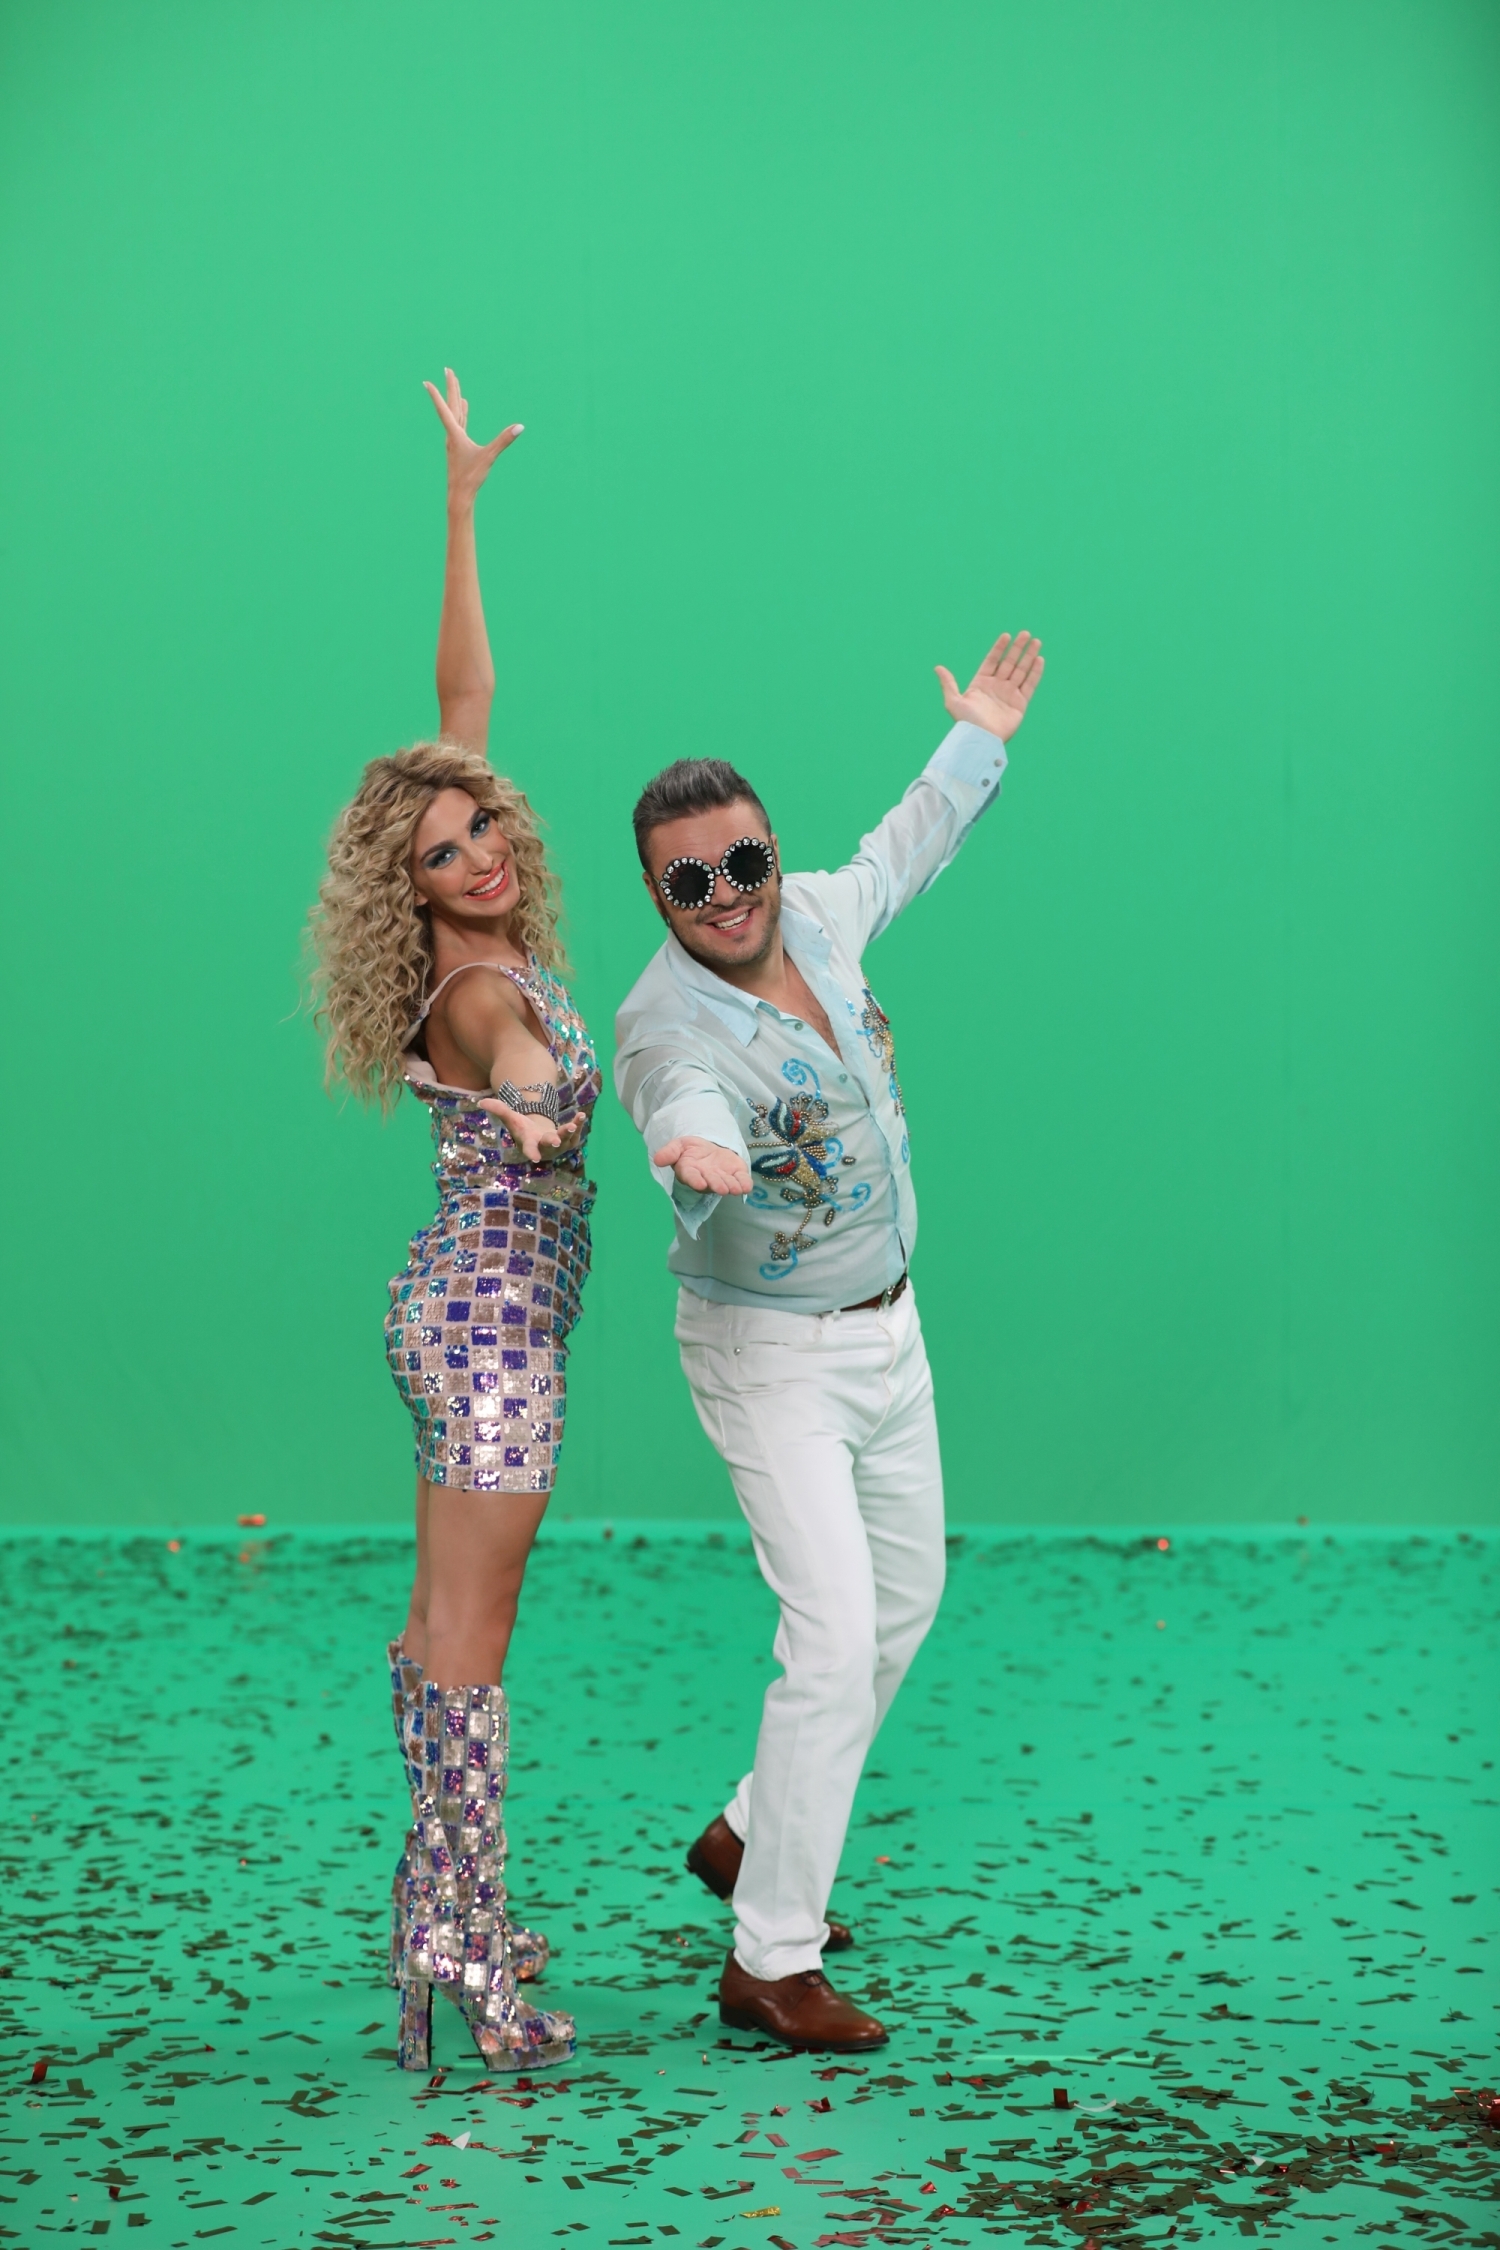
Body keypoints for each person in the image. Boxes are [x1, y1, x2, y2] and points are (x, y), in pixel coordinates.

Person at [615, 629, 1045, 2050]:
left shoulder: (814, 916)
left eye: (742, 861)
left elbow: (903, 847)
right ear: (658, 897)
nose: (727, 894)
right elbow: (676, 1099)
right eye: (691, 881)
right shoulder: (662, 1024)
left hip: (890, 1332)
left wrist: (978, 738)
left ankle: (752, 1830)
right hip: (771, 1356)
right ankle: (769, 1962)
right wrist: (693, 1149)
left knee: (905, 1602)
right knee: (833, 1631)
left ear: (770, 850)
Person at [309, 371, 597, 2074]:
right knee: (473, 1650)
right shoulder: (481, 994)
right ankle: (469, 1955)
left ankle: (438, 1912)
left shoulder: (463, 946)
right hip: (491, 1336)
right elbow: (523, 1076)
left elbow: (463, 695)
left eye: (480, 823)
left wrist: (463, 506)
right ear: (407, 892)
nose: (481, 849)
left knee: (437, 1632)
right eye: (443, 848)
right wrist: (538, 1108)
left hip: (452, 1310)